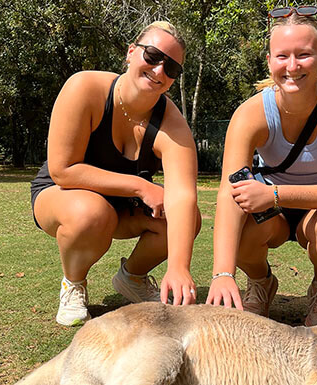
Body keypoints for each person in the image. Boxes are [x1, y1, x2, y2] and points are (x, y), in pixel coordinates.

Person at [205, 6, 317, 326]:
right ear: (269, 61)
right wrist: (222, 274)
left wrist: (276, 194)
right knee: (238, 231)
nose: (292, 66)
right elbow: (230, 190)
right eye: (282, 56)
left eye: (304, 55)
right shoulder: (250, 113)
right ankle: (260, 282)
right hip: (271, 213)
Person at [30, 21, 200, 326]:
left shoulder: (171, 123)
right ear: (131, 52)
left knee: (186, 218)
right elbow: (62, 170)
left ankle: (132, 278)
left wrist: (178, 266)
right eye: (152, 56)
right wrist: (138, 186)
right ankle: (73, 283)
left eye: (172, 68)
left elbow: (184, 196)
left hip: (123, 206)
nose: (160, 71)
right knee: (91, 213)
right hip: (62, 195)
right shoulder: (85, 88)